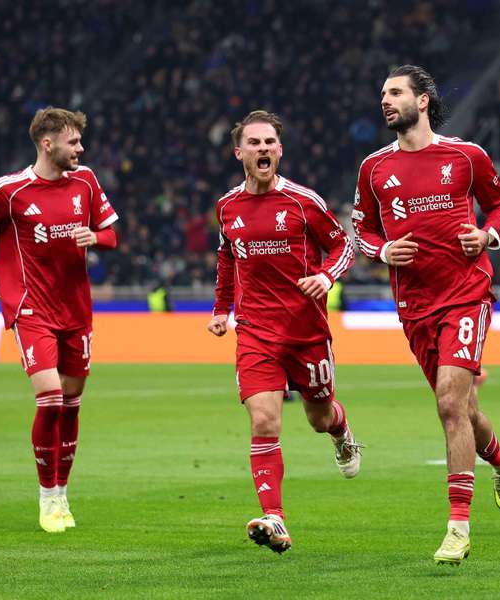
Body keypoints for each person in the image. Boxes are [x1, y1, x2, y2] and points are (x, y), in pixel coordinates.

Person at [352, 65, 500, 565]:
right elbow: (362, 231)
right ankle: (499, 456)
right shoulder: (374, 169)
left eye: (395, 92)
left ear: (422, 101)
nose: (385, 100)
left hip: (466, 293)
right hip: (415, 307)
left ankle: (458, 527)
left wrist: (487, 236)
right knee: (462, 410)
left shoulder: (466, 156)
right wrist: (382, 253)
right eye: (382, 93)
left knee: (449, 402)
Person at [0, 107, 119, 533]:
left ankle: (63, 492)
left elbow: (113, 235)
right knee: (49, 397)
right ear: (48, 144)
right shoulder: (9, 190)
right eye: (74, 141)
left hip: (76, 310)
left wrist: (95, 238)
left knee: (71, 403)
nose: (81, 148)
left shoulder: (86, 181)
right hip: (30, 308)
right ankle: (47, 496)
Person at [208, 110, 360, 555]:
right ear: (239, 152)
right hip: (255, 332)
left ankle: (342, 432)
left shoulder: (302, 201)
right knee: (264, 420)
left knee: (319, 417)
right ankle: (274, 516)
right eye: (254, 143)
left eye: (270, 142)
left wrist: (327, 276)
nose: (263, 149)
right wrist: (222, 309)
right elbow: (226, 259)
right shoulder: (227, 207)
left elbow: (342, 245)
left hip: (305, 330)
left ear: (280, 150)